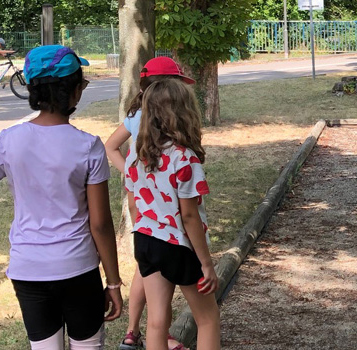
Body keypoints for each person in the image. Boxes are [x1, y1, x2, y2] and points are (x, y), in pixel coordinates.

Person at [4, 44, 125, 350]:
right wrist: (112, 281)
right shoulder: (89, 147)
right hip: (78, 268)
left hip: (28, 268)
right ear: (73, 91)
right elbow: (100, 224)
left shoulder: (8, 141)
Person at [128, 70, 221, 350]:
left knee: (157, 321)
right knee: (207, 318)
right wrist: (205, 263)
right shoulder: (185, 158)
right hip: (178, 245)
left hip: (145, 240)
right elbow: (189, 216)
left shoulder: (138, 156)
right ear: (184, 113)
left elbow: (134, 203)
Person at [108, 56, 195, 350]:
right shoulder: (180, 147)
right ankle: (146, 333)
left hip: (145, 211)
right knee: (200, 313)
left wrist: (135, 174)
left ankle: (134, 332)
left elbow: (110, 146)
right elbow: (190, 214)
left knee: (146, 271)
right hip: (165, 216)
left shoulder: (137, 116)